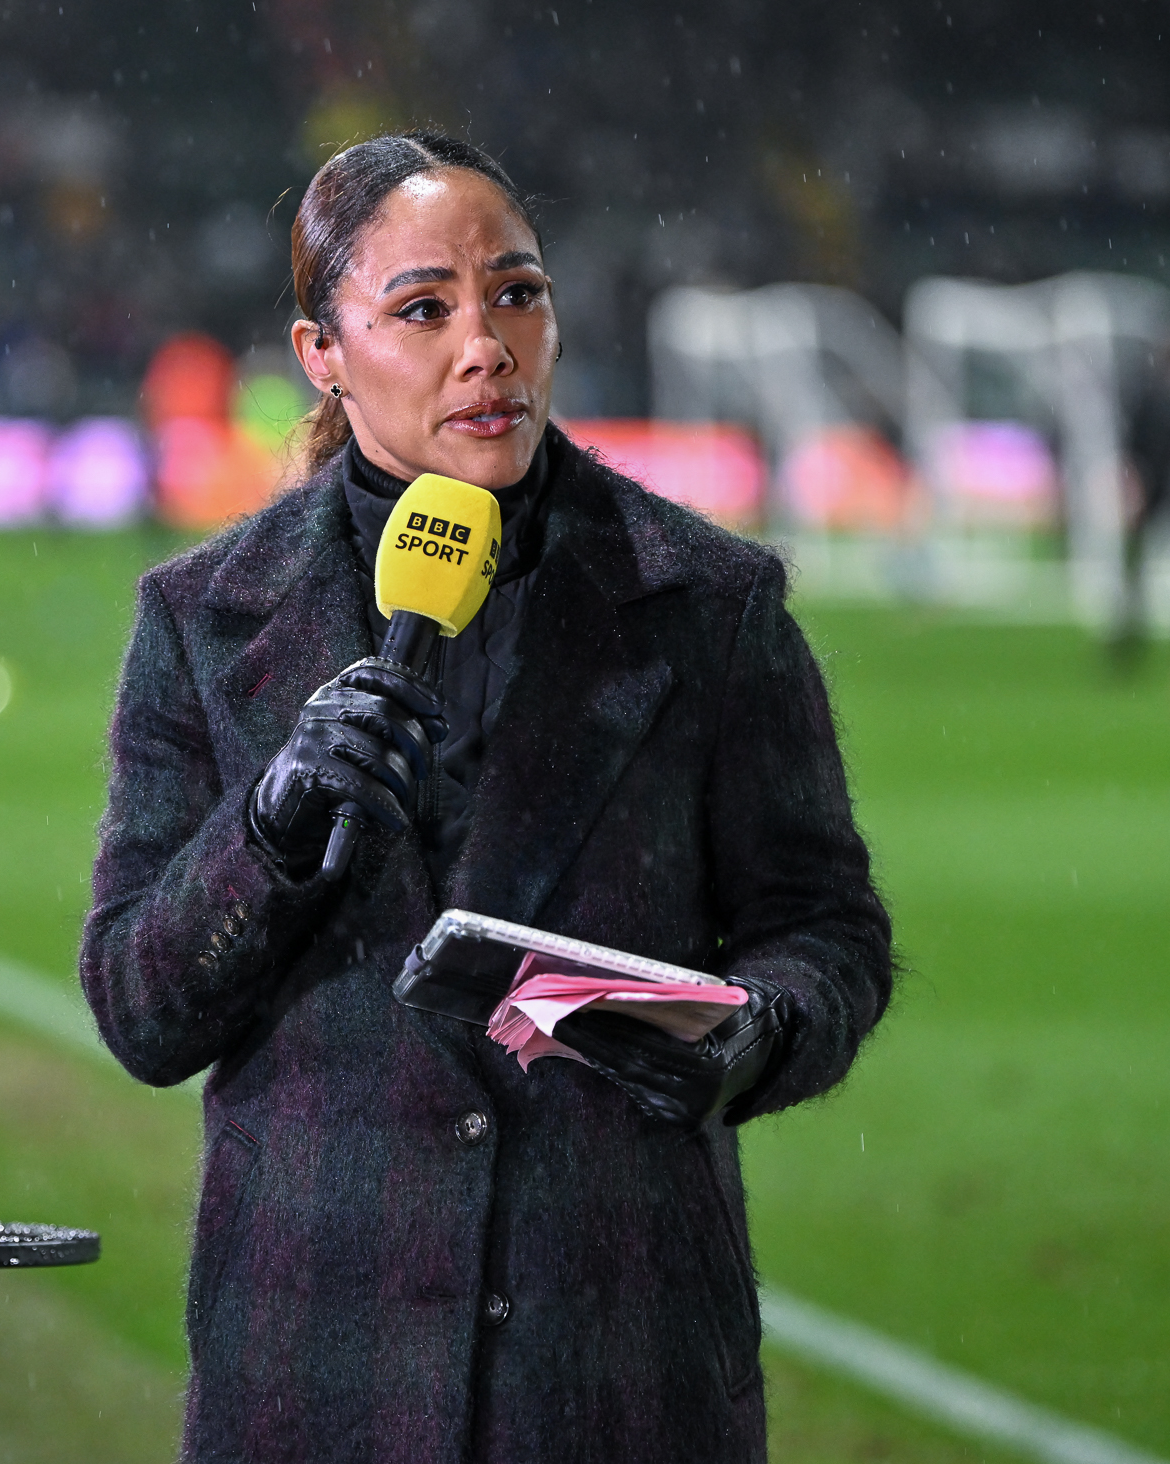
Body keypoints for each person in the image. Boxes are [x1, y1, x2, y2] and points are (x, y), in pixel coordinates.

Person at [80, 131, 892, 1464]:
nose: (485, 344)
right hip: (315, 1369)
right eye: (422, 308)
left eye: (515, 293)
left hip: (620, 1365)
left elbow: (825, 930)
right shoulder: (202, 622)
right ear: (321, 354)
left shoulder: (707, 605)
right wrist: (271, 829)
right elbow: (140, 1010)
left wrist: (752, 1035)